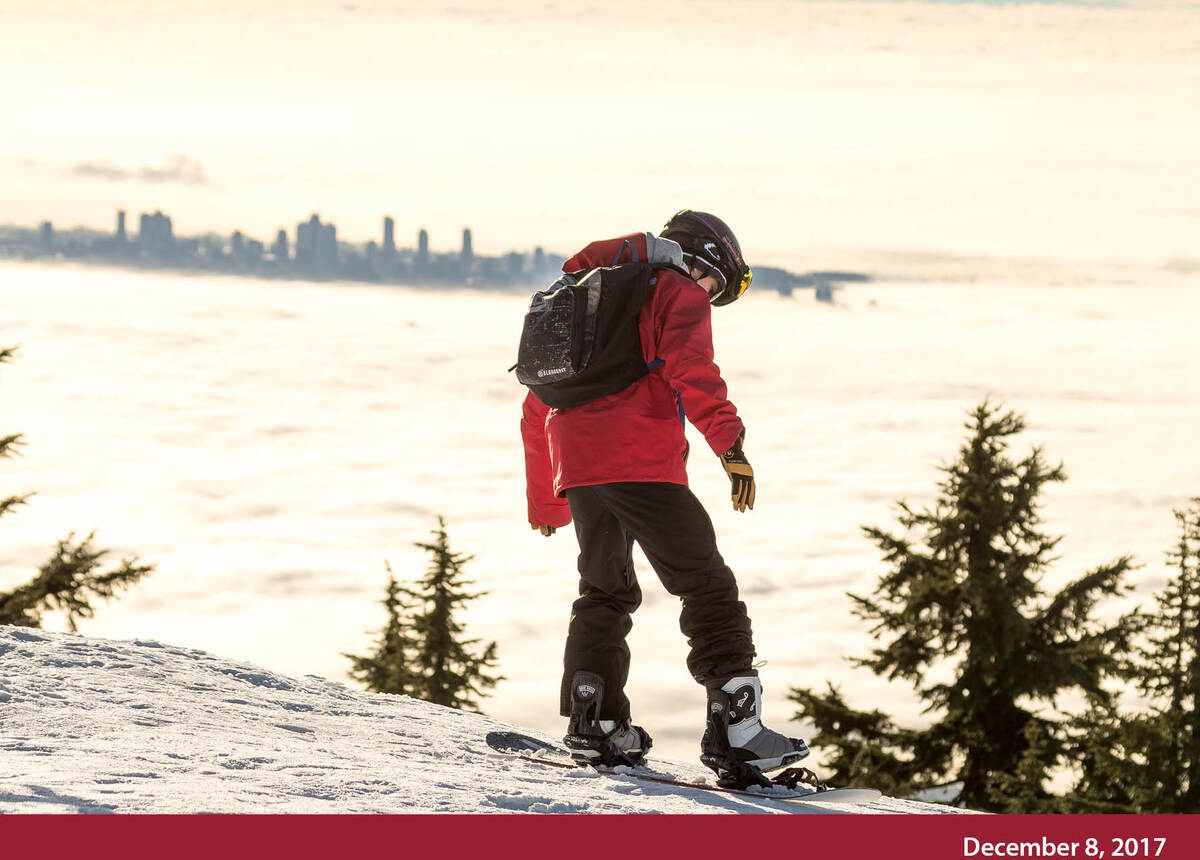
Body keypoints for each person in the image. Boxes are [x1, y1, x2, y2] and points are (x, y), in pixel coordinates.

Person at [519, 210, 806, 786]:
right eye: (716, 284)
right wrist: (730, 444)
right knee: (706, 584)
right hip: (640, 457)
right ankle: (738, 732)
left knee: (603, 591)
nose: (709, 295)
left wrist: (547, 502)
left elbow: (535, 401)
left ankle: (593, 721)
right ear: (700, 259)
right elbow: (691, 368)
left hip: (577, 465)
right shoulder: (676, 289)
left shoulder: (575, 294)